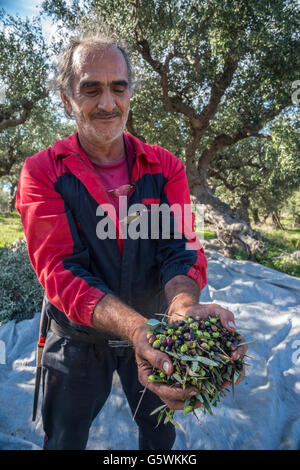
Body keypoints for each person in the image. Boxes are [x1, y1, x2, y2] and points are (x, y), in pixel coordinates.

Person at [15, 30, 247, 450]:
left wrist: (183, 308)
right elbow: (61, 271)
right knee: (65, 438)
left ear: (129, 93)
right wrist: (137, 329)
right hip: (78, 340)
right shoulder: (43, 173)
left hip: (158, 332)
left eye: (118, 88)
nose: (107, 103)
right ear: (67, 99)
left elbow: (179, 249)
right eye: (91, 89)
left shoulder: (165, 167)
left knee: (158, 435)